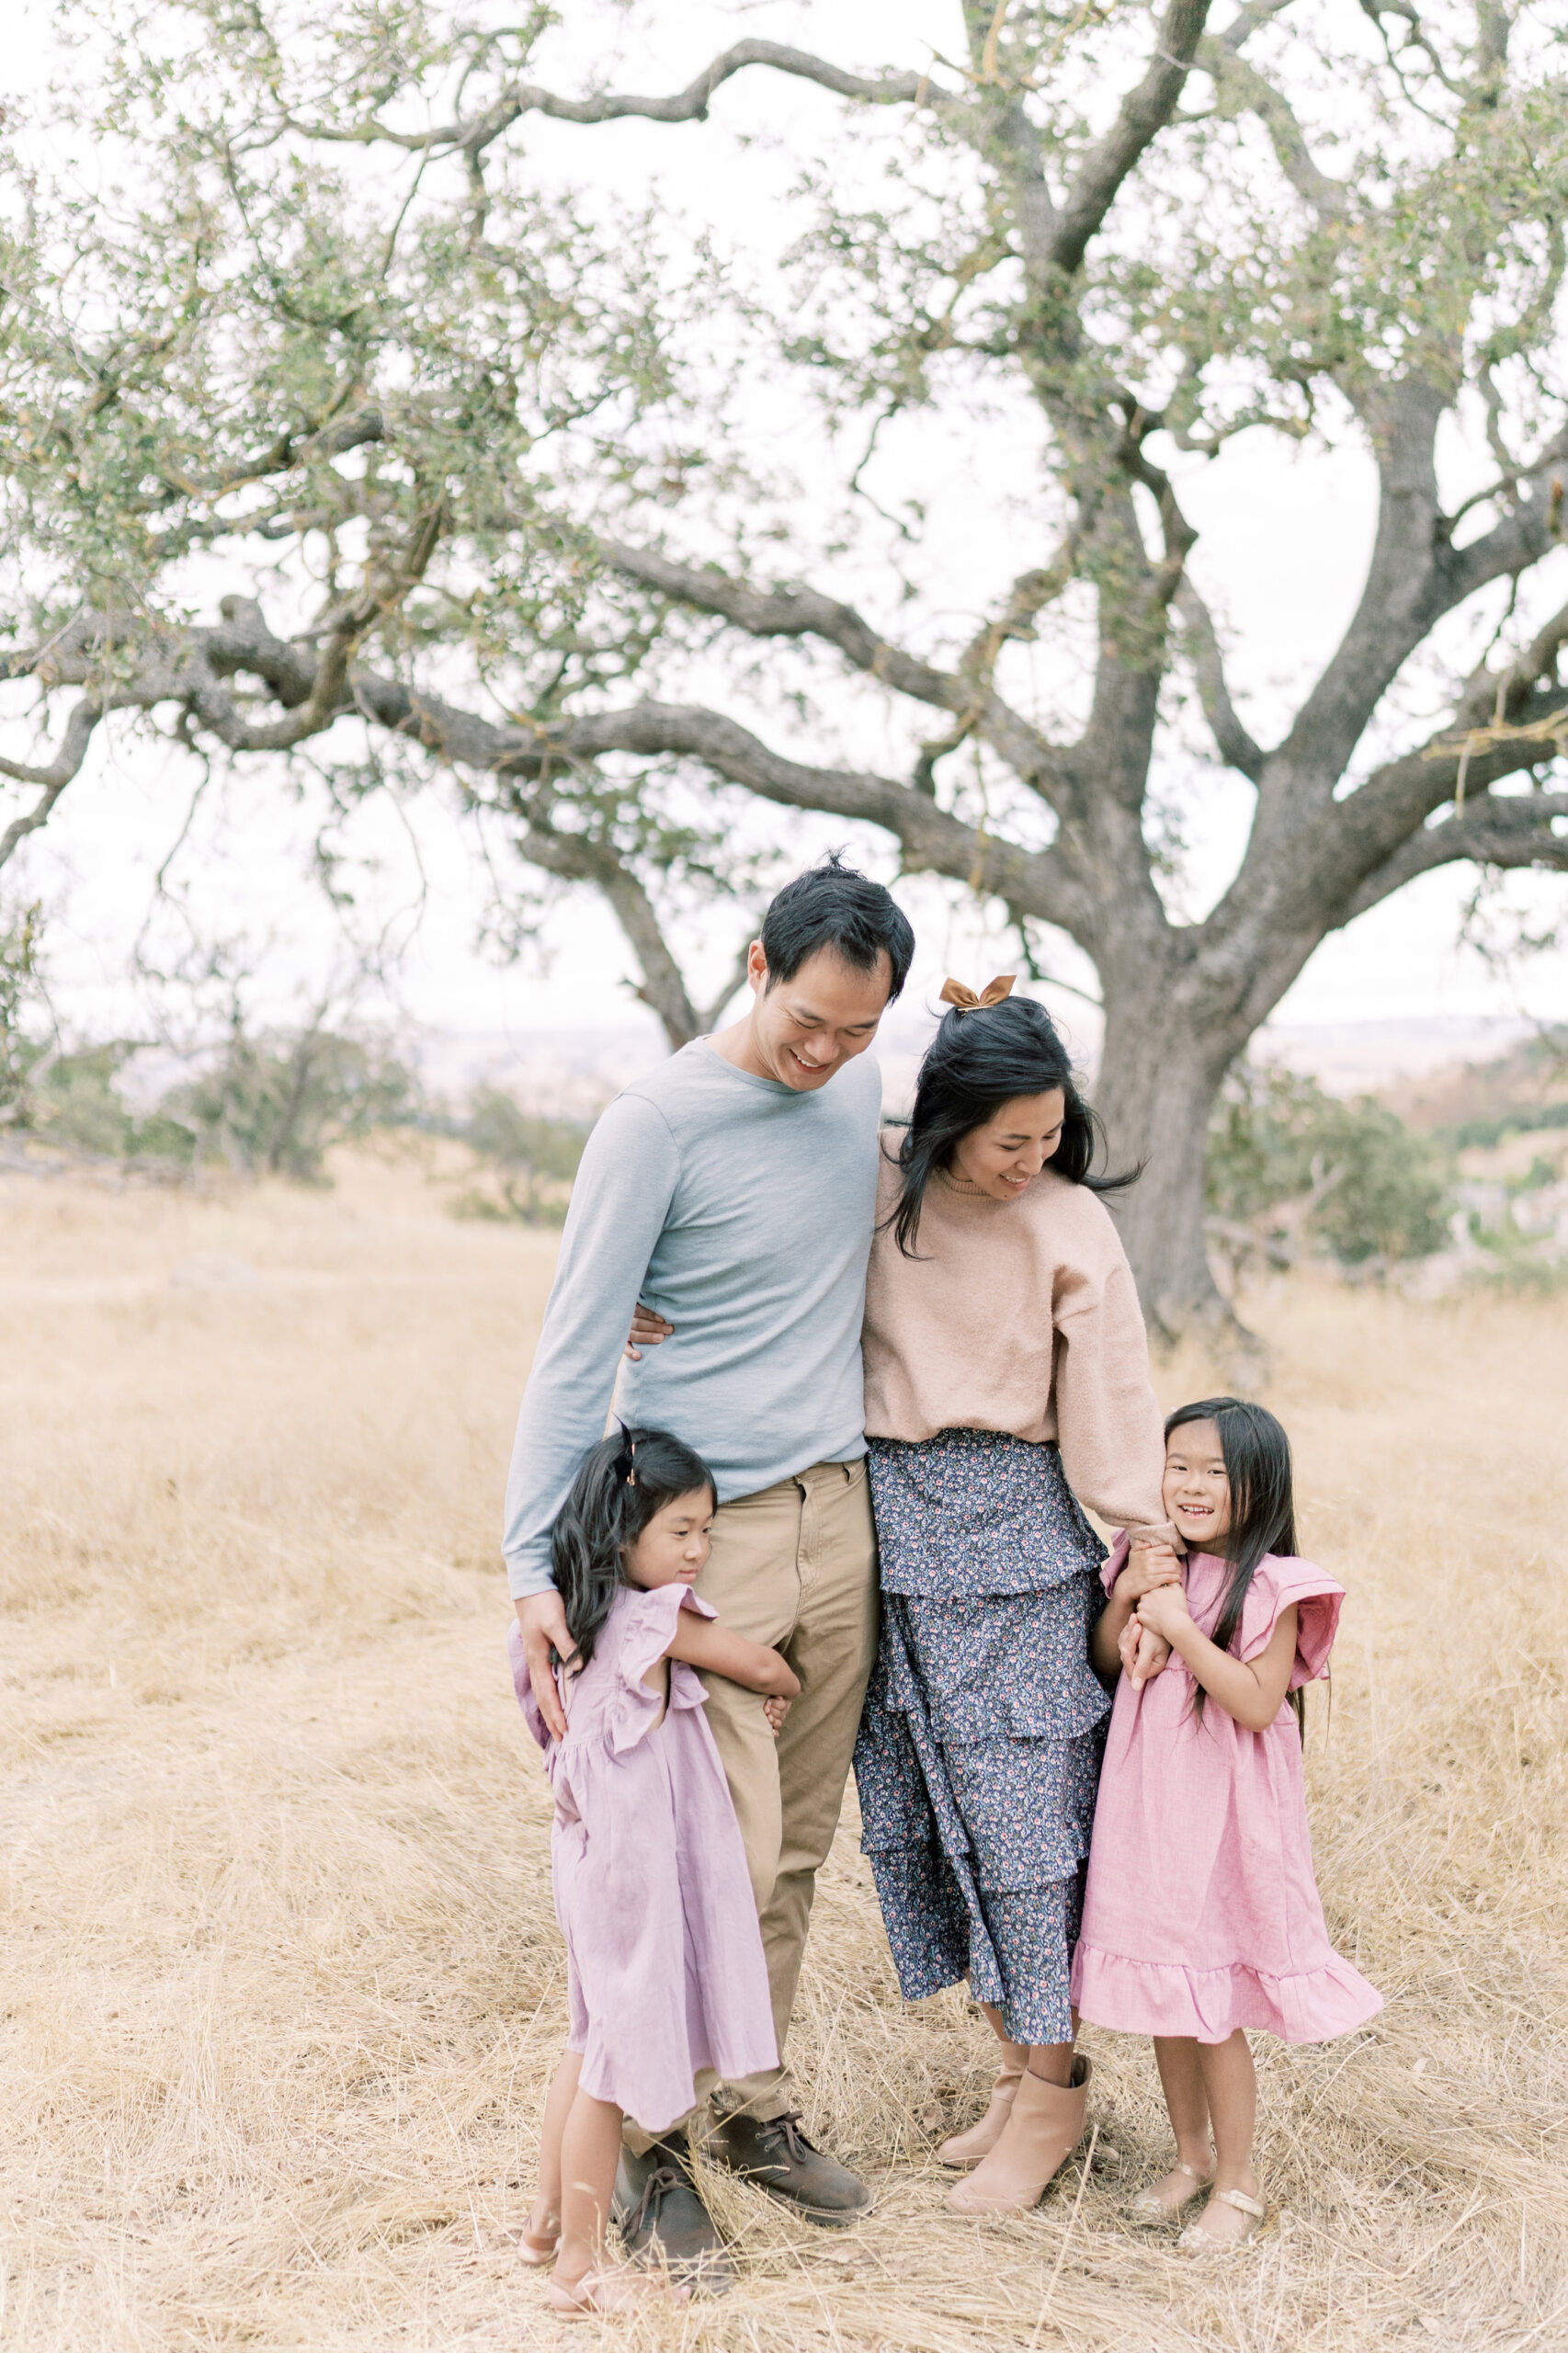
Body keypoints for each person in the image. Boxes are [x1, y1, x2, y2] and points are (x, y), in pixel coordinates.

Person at [505, 855, 915, 2279]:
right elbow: (573, 1353)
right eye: (808, 1022)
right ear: (755, 965)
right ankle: (649, 2157)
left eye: (858, 1032)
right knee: (693, 1860)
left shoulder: (861, 1086)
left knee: (794, 1845)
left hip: (835, 1506)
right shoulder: (655, 1123)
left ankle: (751, 2103)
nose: (825, 1055)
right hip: (702, 1534)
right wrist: (531, 1572)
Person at [853, 978, 1177, 2219]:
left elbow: (1107, 1390)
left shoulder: (1066, 1220)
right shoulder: (875, 1184)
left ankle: (1054, 2091)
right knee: (932, 1816)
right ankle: (1010, 2068)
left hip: (1016, 1550)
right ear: (946, 1117)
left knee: (1021, 1828)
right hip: (888, 1538)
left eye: (1046, 1138)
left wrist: (1142, 1535)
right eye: (1007, 1141)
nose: (1028, 1162)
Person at [1072, 1398, 1383, 2249]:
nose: (1193, 1485)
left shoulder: (1274, 1585)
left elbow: (1251, 1701)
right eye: (1179, 1465)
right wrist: (1135, 1597)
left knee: (1214, 2006)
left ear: (1261, 1487)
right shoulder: (1150, 1563)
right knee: (1170, 1996)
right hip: (1149, 1814)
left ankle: (1240, 2183)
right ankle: (1190, 2157)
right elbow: (1106, 1662)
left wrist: (1178, 1627)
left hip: (1223, 1821)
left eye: (1217, 1471)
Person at [512, 1427, 796, 2317]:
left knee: (584, 2036)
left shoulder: (570, 1616)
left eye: (705, 1530)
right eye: (679, 1529)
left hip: (587, 1857)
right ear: (621, 1528)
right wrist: (781, 1677)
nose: (697, 1549)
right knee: (608, 2065)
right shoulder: (651, 1617)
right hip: (628, 1869)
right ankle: (580, 2271)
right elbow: (749, 1659)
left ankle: (543, 2223)